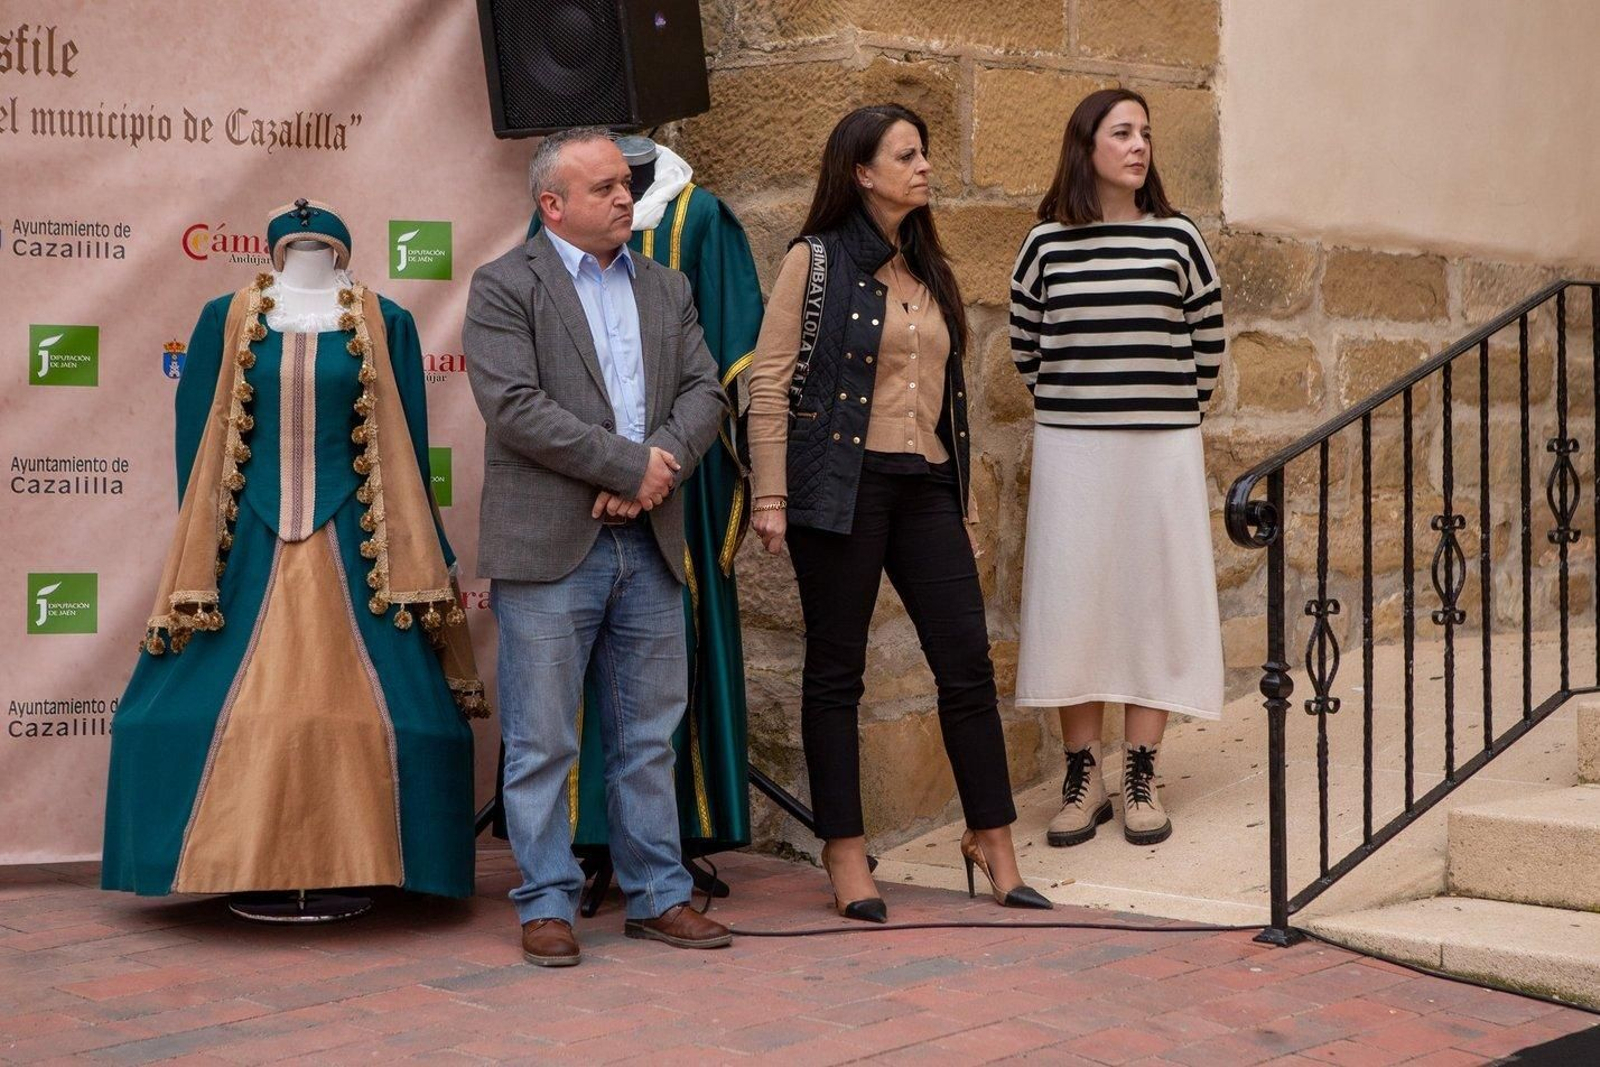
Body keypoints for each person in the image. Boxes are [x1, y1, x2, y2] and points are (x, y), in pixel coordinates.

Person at [102, 200, 483, 904]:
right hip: (246, 530)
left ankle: (369, 862)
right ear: (278, 250)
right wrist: (204, 541)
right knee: (180, 713)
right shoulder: (226, 316)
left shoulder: (386, 320)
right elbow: (199, 437)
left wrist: (430, 541)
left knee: (400, 715)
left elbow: (407, 439)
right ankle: (230, 863)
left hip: (360, 532)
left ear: (338, 248)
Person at [747, 104, 1051, 921]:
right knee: (836, 672)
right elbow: (767, 381)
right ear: (862, 173)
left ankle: (992, 839)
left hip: (926, 487)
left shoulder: (931, 269)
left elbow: (954, 405)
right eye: (906, 154)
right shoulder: (812, 262)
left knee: (967, 663)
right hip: (839, 484)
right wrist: (771, 493)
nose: (924, 166)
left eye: (925, 153)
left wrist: (967, 507)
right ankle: (845, 851)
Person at [463, 127, 733, 967]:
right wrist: (631, 464)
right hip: (549, 545)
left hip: (647, 542)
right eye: (607, 187)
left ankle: (657, 893)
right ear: (553, 204)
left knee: (649, 733)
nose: (627, 198)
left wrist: (659, 470)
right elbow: (514, 405)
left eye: (629, 185)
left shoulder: (666, 285)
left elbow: (703, 390)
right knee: (543, 739)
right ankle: (545, 901)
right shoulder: (505, 285)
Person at [1008, 88, 1228, 849]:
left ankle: (1141, 772)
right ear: (1087, 146)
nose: (1139, 146)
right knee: (1076, 602)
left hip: (1161, 449)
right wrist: (1084, 409)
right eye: (1122, 133)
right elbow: (1026, 346)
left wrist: (1164, 412)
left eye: (1146, 135)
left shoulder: (1178, 238)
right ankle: (1082, 776)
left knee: (1150, 600)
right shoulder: (1046, 245)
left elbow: (1208, 341)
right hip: (1074, 449)